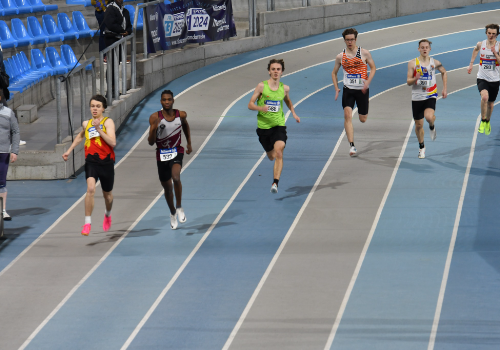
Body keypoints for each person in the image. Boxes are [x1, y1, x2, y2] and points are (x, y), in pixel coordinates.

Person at [62, 95, 116, 236]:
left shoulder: (108, 122)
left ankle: (108, 214)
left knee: (108, 195)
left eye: (98, 106)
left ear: (103, 108)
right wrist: (68, 151)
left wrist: (99, 130)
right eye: (92, 106)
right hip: (91, 162)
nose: (95, 109)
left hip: (107, 162)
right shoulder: (86, 123)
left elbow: (113, 142)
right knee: (90, 189)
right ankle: (87, 223)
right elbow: (81, 135)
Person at [248, 58, 300, 194]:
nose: (276, 72)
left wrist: (294, 113)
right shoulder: (261, 86)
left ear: (282, 72)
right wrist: (261, 108)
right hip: (263, 128)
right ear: (269, 71)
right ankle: (272, 158)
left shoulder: (285, 88)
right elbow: (250, 104)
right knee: (271, 156)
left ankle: (275, 183)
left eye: (278, 69)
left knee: (279, 152)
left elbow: (288, 101)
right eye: (273, 69)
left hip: (278, 126)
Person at [148, 90, 192, 230]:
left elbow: (185, 125)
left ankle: (179, 207)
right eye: (164, 100)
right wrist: (154, 128)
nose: (167, 102)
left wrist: (189, 143)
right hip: (161, 154)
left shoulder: (181, 115)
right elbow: (150, 142)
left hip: (176, 151)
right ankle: (172, 212)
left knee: (176, 177)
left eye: (169, 99)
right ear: (161, 102)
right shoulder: (155, 117)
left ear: (173, 101)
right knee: (167, 189)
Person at [332, 28, 376, 156]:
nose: (349, 42)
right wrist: (336, 88)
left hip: (362, 91)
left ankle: (364, 108)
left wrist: (367, 82)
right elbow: (333, 73)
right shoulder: (340, 56)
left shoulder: (364, 53)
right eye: (347, 40)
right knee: (347, 115)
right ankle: (352, 146)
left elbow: (373, 68)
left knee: (363, 119)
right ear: (344, 40)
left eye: (351, 39)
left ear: (355, 39)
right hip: (348, 90)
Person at [407, 39, 447, 159]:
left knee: (429, 117)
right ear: (418, 49)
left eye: (426, 47)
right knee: (418, 125)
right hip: (417, 97)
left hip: (430, 95)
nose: (424, 49)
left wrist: (445, 88)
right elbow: (408, 82)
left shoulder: (435, 62)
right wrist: (415, 79)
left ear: (430, 49)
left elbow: (444, 72)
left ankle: (432, 125)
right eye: (422, 47)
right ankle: (422, 147)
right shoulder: (412, 63)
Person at [468, 24, 500, 135]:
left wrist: (495, 53)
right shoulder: (480, 44)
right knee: (485, 97)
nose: (491, 36)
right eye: (489, 33)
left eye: (493, 34)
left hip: (495, 79)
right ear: (486, 33)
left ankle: (487, 121)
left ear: (497, 34)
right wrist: (471, 64)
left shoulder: (499, 46)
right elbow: (475, 50)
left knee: (491, 104)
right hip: (482, 77)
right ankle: (482, 120)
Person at [103, 0, 132, 96]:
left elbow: (129, 25)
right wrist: (122, 31)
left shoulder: (125, 10)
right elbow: (111, 24)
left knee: (116, 64)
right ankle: (110, 89)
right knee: (111, 65)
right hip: (111, 39)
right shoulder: (110, 9)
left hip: (120, 40)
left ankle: (115, 88)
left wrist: (127, 31)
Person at [0, 90, 20, 221]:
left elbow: (15, 131)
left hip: (3, 152)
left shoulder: (8, 113)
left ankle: (2, 211)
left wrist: (15, 150)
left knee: (1, 182)